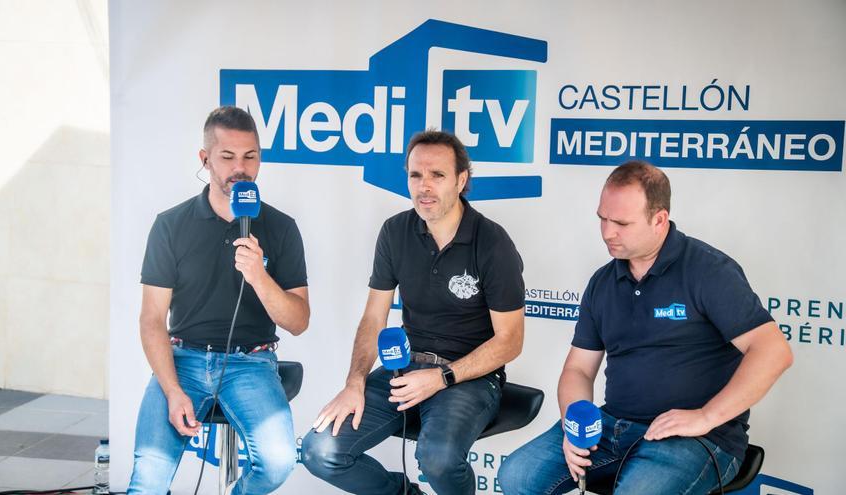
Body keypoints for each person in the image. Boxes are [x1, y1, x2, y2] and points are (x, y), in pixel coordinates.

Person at [499, 161, 793, 495]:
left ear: (659, 220)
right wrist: (574, 424)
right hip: (613, 426)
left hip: (695, 438)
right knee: (517, 476)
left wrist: (707, 416)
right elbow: (579, 369)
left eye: (622, 223)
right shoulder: (603, 282)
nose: (608, 232)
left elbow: (773, 351)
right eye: (603, 219)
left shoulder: (709, 270)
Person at [301, 130, 525, 495]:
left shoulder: (492, 243)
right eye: (415, 175)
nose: (425, 187)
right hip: (403, 368)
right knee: (320, 451)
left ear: (461, 180)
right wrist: (354, 382)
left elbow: (510, 340)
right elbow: (374, 317)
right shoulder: (395, 231)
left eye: (437, 175)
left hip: (468, 377)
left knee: (437, 459)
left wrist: (443, 377)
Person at [127, 106, 310, 494]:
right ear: (205, 159)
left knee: (279, 462)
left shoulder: (281, 227)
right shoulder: (170, 225)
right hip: (183, 360)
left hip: (252, 363)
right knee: (148, 478)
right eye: (227, 157)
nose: (239, 168)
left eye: (250, 156)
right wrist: (173, 391)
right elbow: (151, 319)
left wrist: (259, 276)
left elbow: (297, 320)